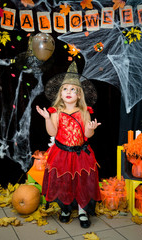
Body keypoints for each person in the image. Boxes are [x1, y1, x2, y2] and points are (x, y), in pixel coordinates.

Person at [36, 74, 101, 228]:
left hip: (80, 154)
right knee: (64, 181)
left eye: (73, 89)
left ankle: (82, 211)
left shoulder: (84, 111)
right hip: (62, 153)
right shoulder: (56, 112)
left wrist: (91, 129)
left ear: (79, 95)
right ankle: (65, 208)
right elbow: (52, 133)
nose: (68, 91)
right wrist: (46, 118)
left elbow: (87, 135)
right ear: (60, 94)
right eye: (65, 89)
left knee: (81, 182)